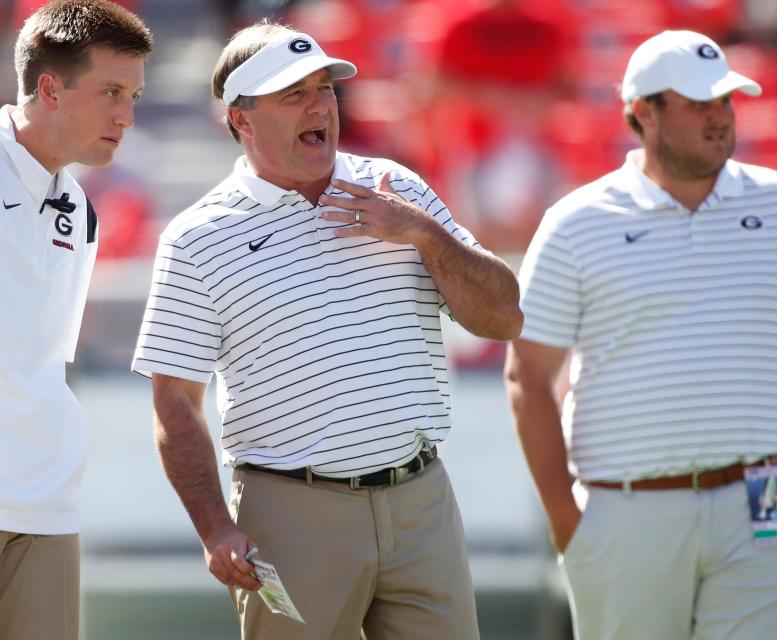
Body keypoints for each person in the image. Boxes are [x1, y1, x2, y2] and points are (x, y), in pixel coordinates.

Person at [132, 22, 521, 640]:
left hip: (421, 502)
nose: (319, 106)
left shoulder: (400, 191)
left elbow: (503, 316)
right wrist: (213, 526)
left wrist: (424, 232)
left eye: (325, 89)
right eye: (293, 93)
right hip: (289, 517)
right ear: (241, 118)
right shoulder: (196, 238)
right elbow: (175, 403)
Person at [504, 29, 777, 640]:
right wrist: (567, 521)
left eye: (726, 101)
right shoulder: (575, 224)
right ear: (642, 113)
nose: (720, 117)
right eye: (699, 103)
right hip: (627, 509)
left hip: (769, 496)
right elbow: (528, 377)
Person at [0, 2, 152, 639]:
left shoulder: (82, 210)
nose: (126, 116)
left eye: (135, 96)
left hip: (43, 507)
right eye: (111, 92)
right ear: (49, 88)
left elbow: (46, 360)